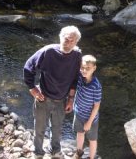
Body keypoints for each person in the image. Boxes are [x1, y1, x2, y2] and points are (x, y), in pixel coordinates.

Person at [23, 25, 82, 159]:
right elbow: (28, 67)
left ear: (76, 41)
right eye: (66, 39)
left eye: (72, 40)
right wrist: (32, 89)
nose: (68, 42)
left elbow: (75, 78)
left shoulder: (77, 55)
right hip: (43, 97)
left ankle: (55, 150)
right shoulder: (48, 51)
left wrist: (71, 99)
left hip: (61, 99)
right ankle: (38, 152)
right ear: (60, 38)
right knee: (39, 129)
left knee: (57, 129)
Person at [72, 55, 102, 159]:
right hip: (79, 113)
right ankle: (78, 153)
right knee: (80, 133)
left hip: (91, 119)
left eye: (88, 68)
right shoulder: (80, 77)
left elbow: (96, 106)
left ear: (94, 68)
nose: (84, 70)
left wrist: (89, 122)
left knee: (92, 139)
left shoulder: (96, 86)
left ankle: (91, 157)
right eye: (82, 67)